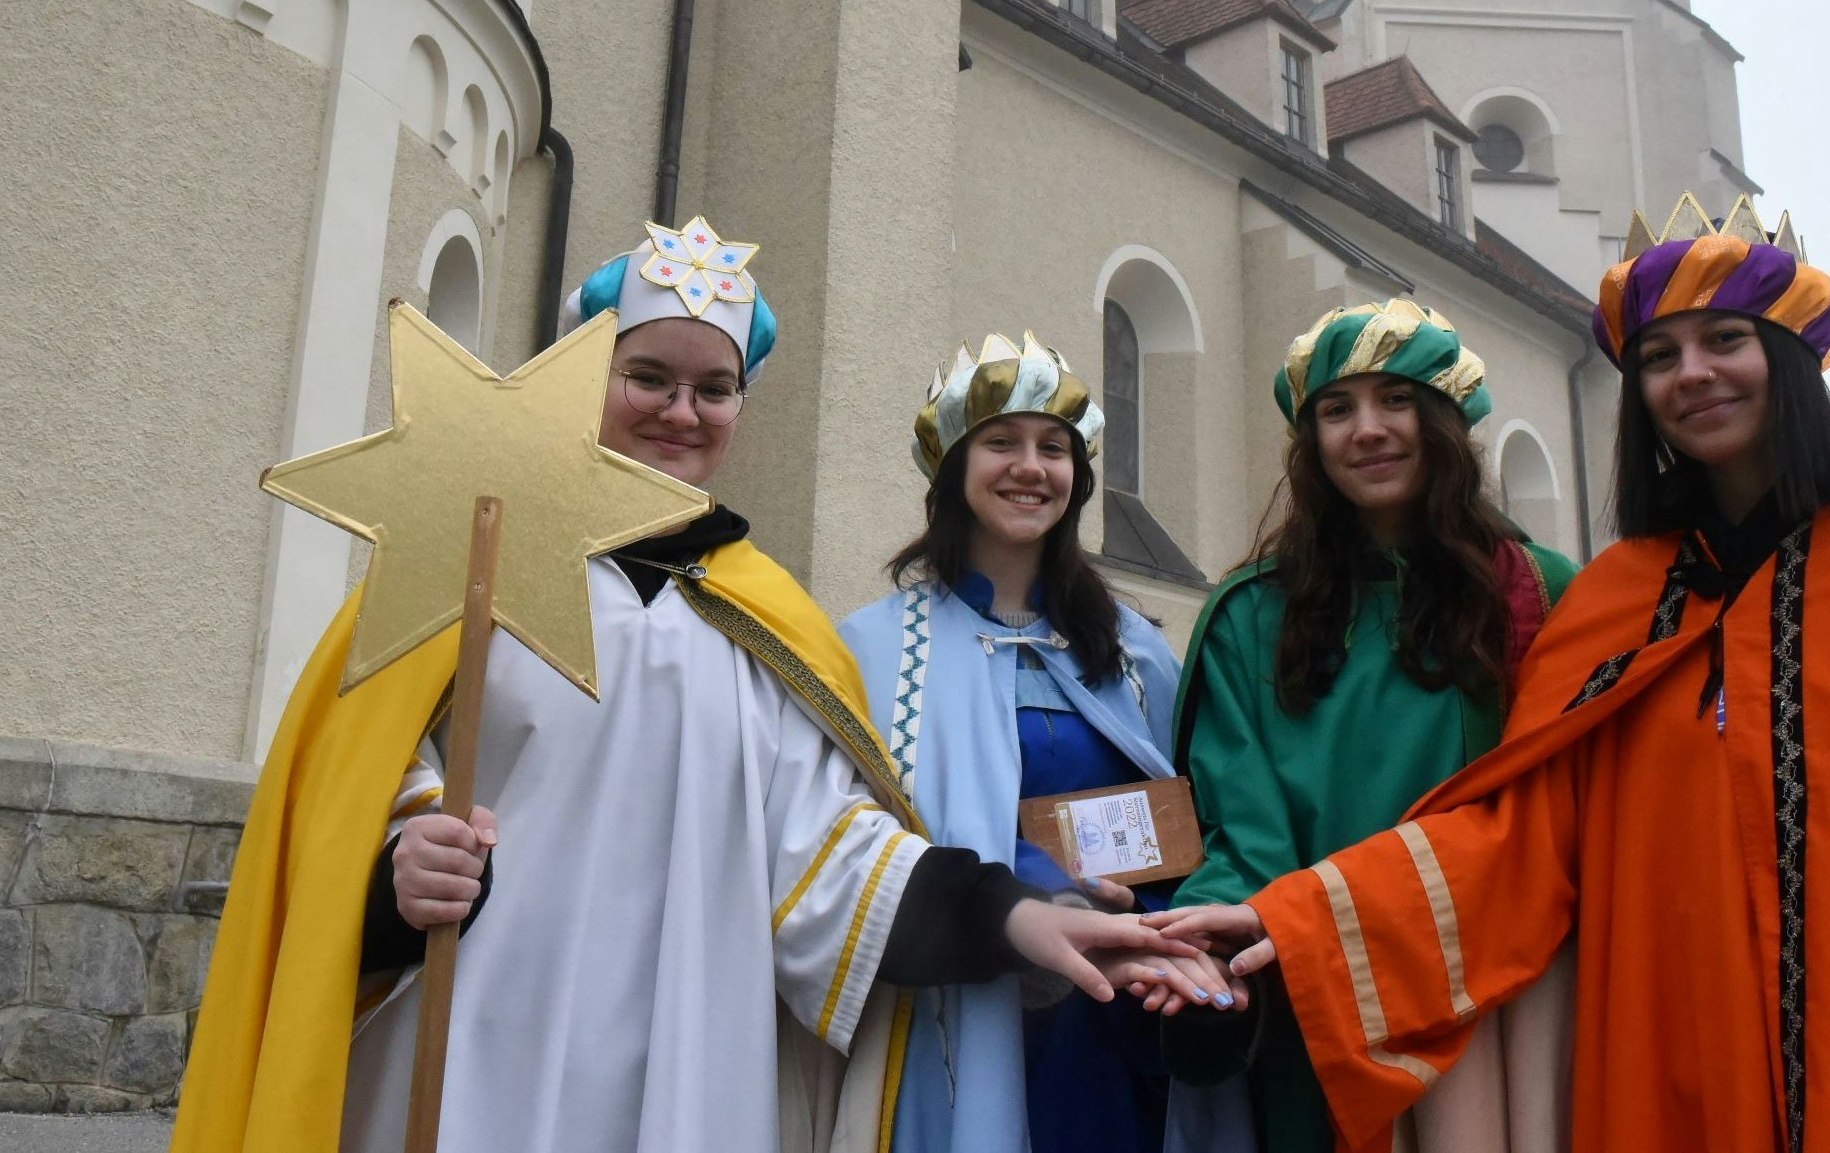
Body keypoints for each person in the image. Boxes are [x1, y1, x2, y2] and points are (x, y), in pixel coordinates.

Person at [1155, 198, 1830, 1152]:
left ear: (1791, 354)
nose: (1692, 374)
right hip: (1690, 1058)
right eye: (1659, 357)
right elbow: (1523, 836)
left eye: (1725, 339)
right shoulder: (1621, 599)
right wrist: (1291, 917)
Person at [174, 221, 1202, 1153]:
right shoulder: (466, 572)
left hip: (685, 1066)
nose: (681, 411)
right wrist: (400, 866)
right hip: (476, 1050)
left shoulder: (760, 619)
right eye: (649, 377)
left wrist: (1024, 919)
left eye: (714, 389)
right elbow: (352, 794)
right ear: (588, 375)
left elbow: (831, 865)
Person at [1157, 301, 1577, 1153]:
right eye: (1337, 410)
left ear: (1445, 421)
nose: (1368, 430)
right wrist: (1201, 940)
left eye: (1396, 400)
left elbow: (1562, 810)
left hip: (1498, 985)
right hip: (1319, 988)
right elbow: (1242, 825)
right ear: (1309, 441)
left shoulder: (1538, 592)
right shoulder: (1250, 615)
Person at [840, 333, 1228, 1153]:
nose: (1031, 467)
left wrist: (1167, 934)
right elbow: (862, 844)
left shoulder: (1136, 650)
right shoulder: (875, 652)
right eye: (1002, 443)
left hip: (1123, 1011)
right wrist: (1042, 892)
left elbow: (1189, 818)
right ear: (953, 467)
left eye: (1054, 448)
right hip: (970, 997)